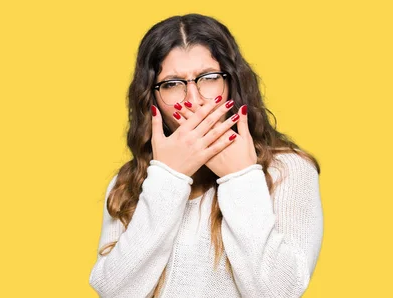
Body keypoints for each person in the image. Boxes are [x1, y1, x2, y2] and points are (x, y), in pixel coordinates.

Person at [88, 13, 323, 298]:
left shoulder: (287, 170)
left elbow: (279, 292)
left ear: (232, 83)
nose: (194, 99)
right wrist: (168, 177)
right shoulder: (129, 183)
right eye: (172, 83)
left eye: (209, 78)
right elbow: (114, 292)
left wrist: (240, 177)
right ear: (151, 99)